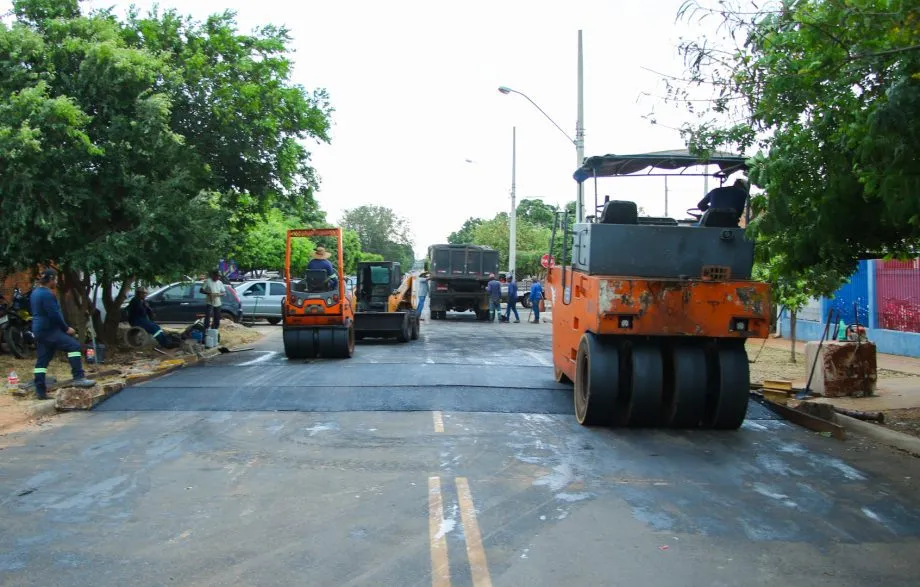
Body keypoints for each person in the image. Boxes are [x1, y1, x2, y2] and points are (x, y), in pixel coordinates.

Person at [30, 269, 95, 399]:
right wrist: (66, 329)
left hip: (39, 331)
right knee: (74, 346)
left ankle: (40, 391)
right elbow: (54, 314)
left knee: (42, 362)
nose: (56, 282)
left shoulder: (35, 293)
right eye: (55, 279)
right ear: (51, 279)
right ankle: (79, 377)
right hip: (49, 330)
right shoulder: (47, 294)